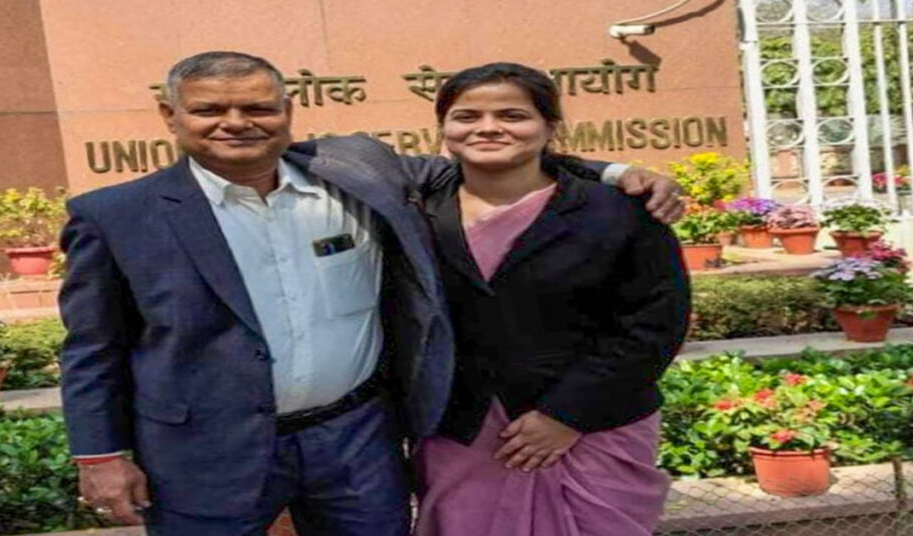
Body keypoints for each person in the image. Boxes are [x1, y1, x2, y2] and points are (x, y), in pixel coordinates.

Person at [59, 51, 684, 536]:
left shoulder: (354, 173)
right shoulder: (115, 216)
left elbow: (498, 159)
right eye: (209, 109)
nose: (236, 122)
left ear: (288, 110)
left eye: (258, 107)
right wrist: (99, 455)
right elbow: (93, 347)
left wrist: (616, 172)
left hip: (353, 440)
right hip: (205, 451)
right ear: (170, 116)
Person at [412, 63, 691, 536]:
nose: (488, 128)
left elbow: (653, 324)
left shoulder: (620, 213)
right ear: (444, 128)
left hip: (595, 425)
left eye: (512, 115)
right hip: (462, 427)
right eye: (467, 116)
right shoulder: (416, 208)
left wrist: (567, 415)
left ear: (549, 126)